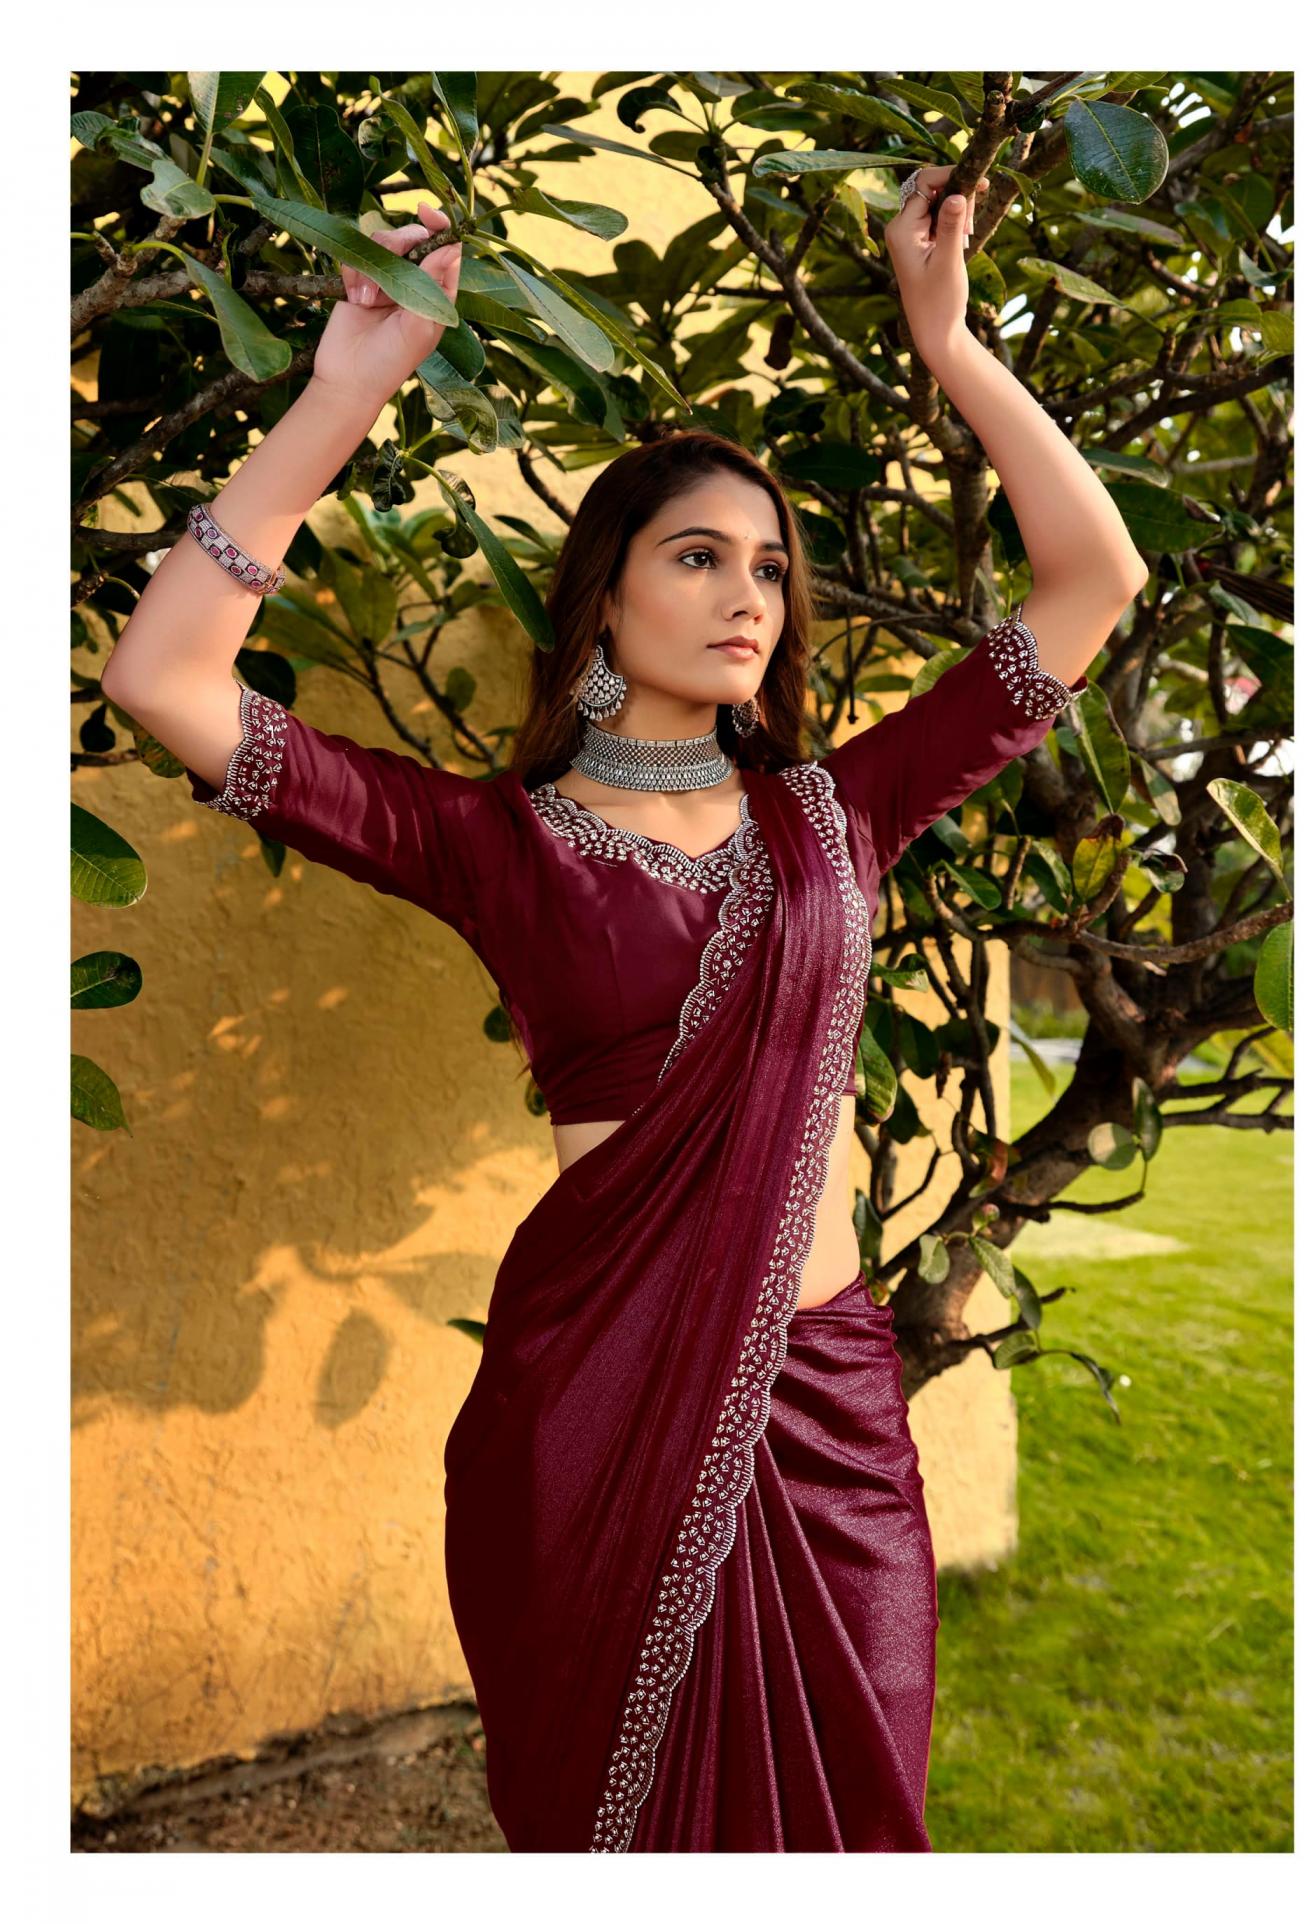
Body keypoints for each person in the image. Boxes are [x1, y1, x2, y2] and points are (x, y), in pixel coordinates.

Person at [101, 168, 1146, 1853]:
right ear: (602, 599)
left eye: (770, 569)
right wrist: (344, 392)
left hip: (830, 1424)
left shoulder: (837, 813)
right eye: (698, 557)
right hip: (592, 1416)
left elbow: (1090, 579)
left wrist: (952, 348)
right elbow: (162, 679)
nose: (750, 597)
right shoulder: (492, 846)